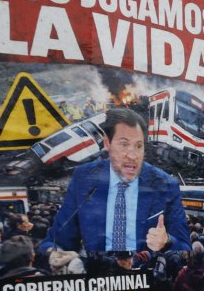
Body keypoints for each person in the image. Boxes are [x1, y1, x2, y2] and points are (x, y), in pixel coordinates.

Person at [38, 108, 190, 255]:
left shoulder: (167, 185)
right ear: (107, 143)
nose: (132, 155)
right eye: (124, 144)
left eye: (138, 146)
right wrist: (54, 254)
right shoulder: (83, 178)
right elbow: (57, 241)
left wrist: (167, 241)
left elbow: (184, 248)